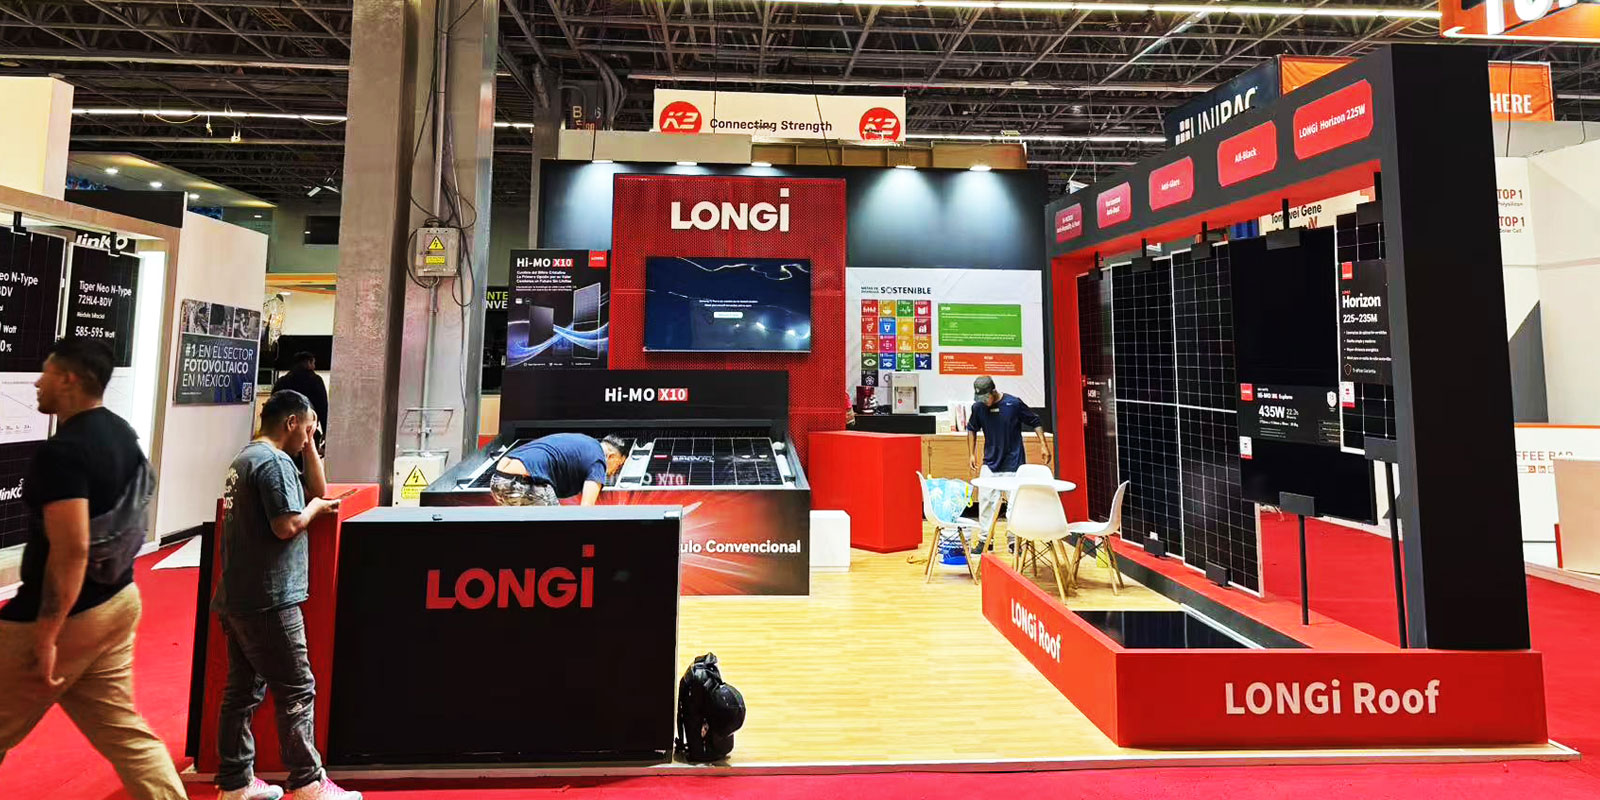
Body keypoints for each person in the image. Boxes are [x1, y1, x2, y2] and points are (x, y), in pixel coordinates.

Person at [0, 338, 185, 800]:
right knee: (125, 734)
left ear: (68, 379)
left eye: (46, 372)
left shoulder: (62, 453)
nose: (37, 383)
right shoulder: (123, 434)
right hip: (119, 600)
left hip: (66, 617)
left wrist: (47, 635)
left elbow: (71, 550)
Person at [212, 390, 358, 800]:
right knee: (297, 688)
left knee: (242, 692)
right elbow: (288, 525)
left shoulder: (246, 458)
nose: (309, 437)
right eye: (308, 430)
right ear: (291, 422)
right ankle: (308, 781)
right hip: (270, 597)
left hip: (238, 595)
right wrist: (316, 510)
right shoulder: (273, 463)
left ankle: (235, 782)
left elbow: (317, 487)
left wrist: (309, 446)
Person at [966, 375, 1052, 535]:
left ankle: (1014, 540)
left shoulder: (1013, 404)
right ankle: (985, 539)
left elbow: (1035, 421)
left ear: (993, 392)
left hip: (1014, 463)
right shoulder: (978, 408)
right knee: (985, 503)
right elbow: (971, 428)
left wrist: (1043, 445)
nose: (983, 401)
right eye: (980, 399)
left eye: (985, 398)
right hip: (990, 463)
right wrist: (971, 453)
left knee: (1015, 506)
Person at [491, 433, 628, 506]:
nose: (616, 471)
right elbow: (586, 508)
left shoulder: (585, 443)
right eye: (619, 465)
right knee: (558, 532)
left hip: (498, 480)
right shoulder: (598, 460)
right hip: (523, 483)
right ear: (611, 456)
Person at [271, 352, 328, 448]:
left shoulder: (283, 381)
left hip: (284, 431)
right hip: (307, 430)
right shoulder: (315, 380)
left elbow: (273, 405)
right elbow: (323, 407)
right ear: (308, 362)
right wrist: (326, 431)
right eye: (313, 363)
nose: (314, 367)